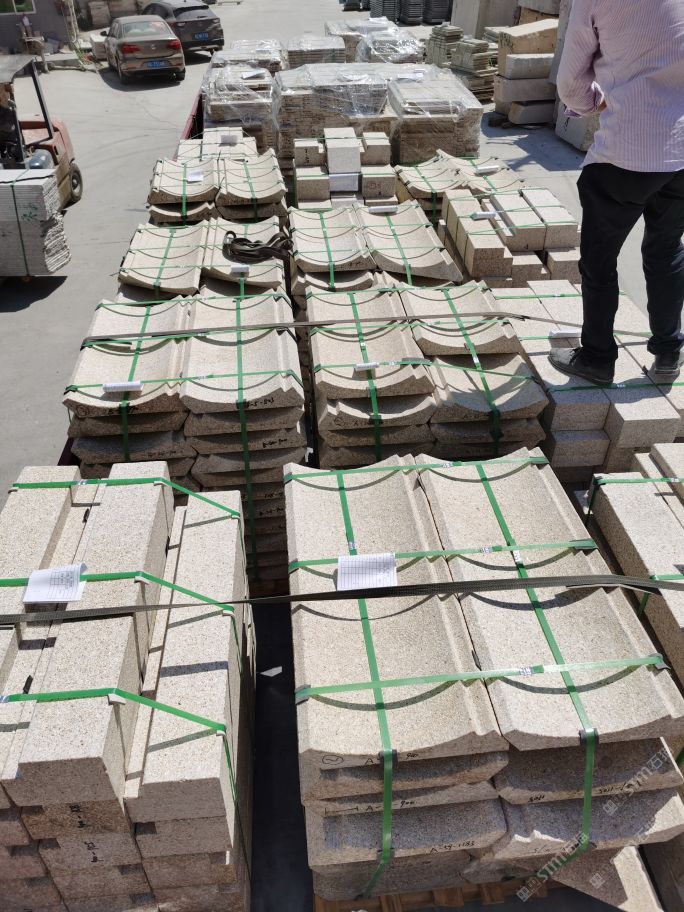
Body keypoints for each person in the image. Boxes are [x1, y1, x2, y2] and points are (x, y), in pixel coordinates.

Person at [551, 0, 684, 383]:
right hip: (680, 152)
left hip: (626, 153)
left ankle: (597, 357)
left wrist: (592, 102)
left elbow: (571, 86)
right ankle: (668, 353)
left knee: (599, 259)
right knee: (666, 249)